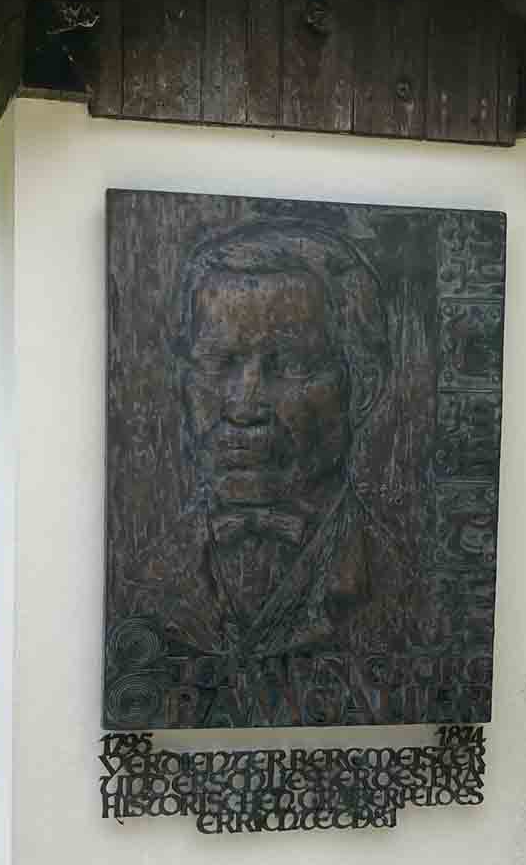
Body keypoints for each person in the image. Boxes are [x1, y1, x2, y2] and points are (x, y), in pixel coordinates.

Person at [106, 218, 415, 729]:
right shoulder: (143, 577)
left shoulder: (407, 587)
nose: (245, 405)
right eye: (219, 363)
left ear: (362, 385)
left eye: (289, 365)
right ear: (184, 379)